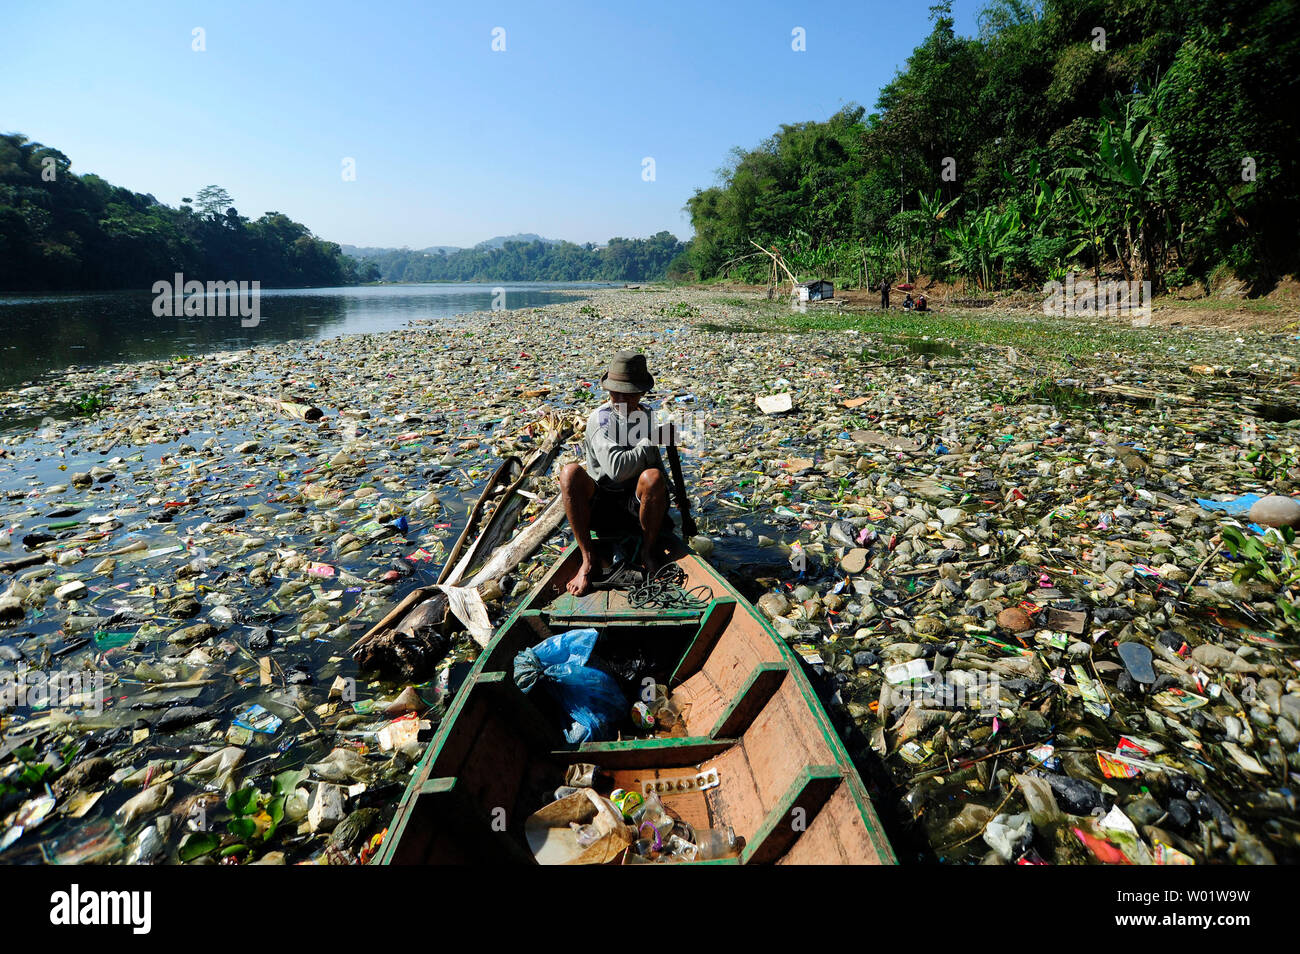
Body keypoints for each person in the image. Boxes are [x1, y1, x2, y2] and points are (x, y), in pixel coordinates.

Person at [559, 351, 674, 596]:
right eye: (616, 393)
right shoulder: (601, 420)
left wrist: (667, 495)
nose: (621, 399)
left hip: (636, 503)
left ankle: (648, 551)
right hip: (603, 504)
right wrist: (651, 440)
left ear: (641, 393)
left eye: (629, 393)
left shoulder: (646, 415)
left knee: (653, 478)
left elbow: (654, 466)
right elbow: (618, 470)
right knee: (569, 473)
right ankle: (588, 559)